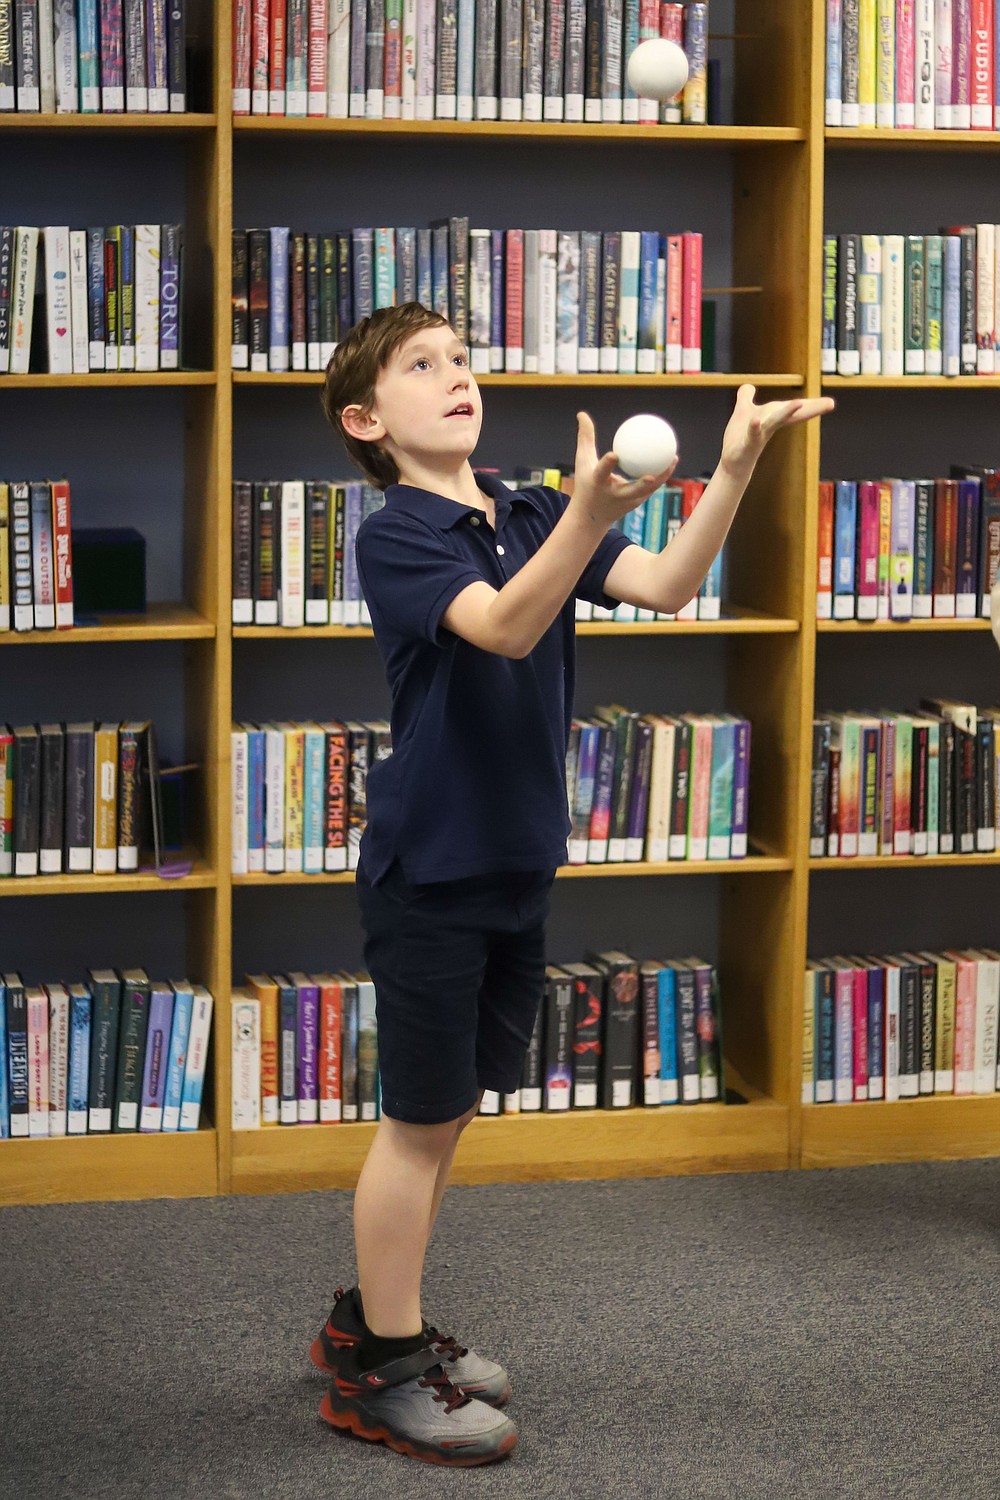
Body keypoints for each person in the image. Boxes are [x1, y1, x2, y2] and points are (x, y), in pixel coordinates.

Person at [311, 300, 834, 1467]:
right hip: (431, 868)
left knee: (449, 1117)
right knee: (414, 1123)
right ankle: (379, 1376)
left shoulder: (533, 508)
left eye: (462, 359)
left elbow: (665, 587)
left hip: (515, 858)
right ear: (366, 419)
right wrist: (589, 512)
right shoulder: (396, 534)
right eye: (422, 366)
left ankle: (367, 1324)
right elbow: (501, 626)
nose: (457, 376)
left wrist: (733, 473)